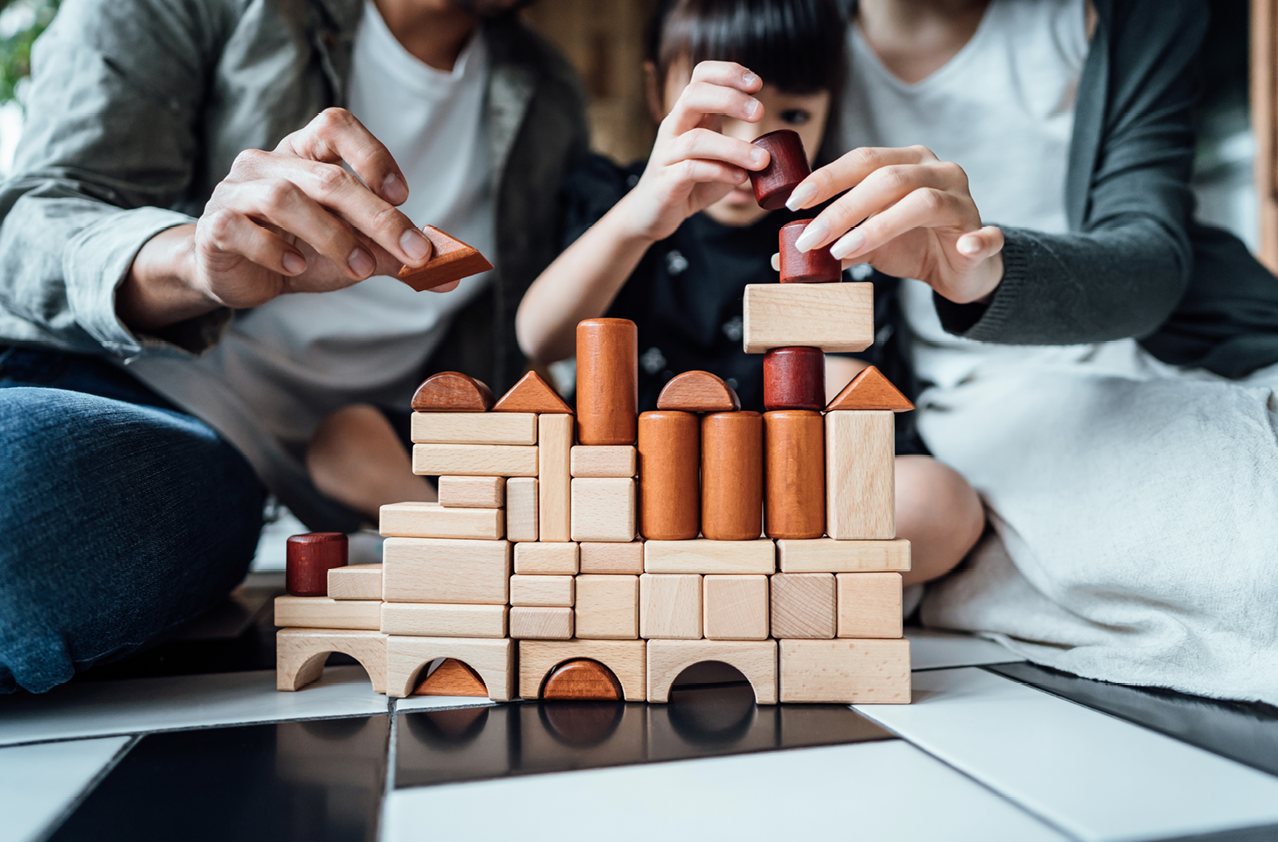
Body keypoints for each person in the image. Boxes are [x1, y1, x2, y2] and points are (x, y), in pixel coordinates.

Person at [0, 0, 587, 693]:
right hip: (90, 378)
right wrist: (195, 261)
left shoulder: (547, 93)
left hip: (257, 474)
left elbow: (517, 347)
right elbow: (28, 225)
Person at [782, 0, 1278, 703]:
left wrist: (988, 271)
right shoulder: (779, 34)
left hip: (1195, 337)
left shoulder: (1133, 16)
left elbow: (1153, 256)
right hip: (984, 392)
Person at [515, 0, 986, 587]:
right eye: (722, 117)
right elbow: (539, 335)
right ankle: (738, 575)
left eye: (792, 113)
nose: (754, 148)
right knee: (546, 488)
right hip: (646, 473)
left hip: (788, 483)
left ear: (830, 107)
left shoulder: (841, 222)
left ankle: (741, 572)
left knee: (943, 502)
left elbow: (851, 380)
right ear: (660, 92)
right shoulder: (617, 198)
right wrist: (640, 218)